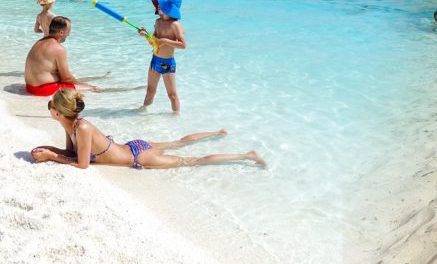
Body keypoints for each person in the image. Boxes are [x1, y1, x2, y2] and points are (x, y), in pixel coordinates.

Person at [30, 89, 266, 169]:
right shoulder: (73, 124)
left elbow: (82, 165)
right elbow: (72, 153)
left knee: (192, 161)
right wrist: (50, 150)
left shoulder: (81, 127)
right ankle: (216, 132)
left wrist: (52, 156)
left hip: (139, 156)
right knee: (179, 142)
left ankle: (246, 155)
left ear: (59, 113)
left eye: (51, 106)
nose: (49, 108)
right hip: (134, 146)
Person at [138, 0, 186, 113]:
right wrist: (146, 35)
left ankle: (176, 117)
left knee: (172, 95)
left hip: (167, 63)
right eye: (158, 5)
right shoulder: (158, 22)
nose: (158, 7)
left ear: (169, 8)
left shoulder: (175, 25)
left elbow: (183, 45)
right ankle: (142, 114)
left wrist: (166, 41)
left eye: (161, 5)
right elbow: (154, 42)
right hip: (155, 60)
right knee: (150, 90)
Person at [24, 16, 96, 96]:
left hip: (29, 87)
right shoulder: (58, 48)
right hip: (43, 90)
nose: (68, 35)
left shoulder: (39, 42)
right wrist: (82, 84)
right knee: (92, 88)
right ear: (61, 32)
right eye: (68, 31)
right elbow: (66, 78)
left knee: (77, 82)